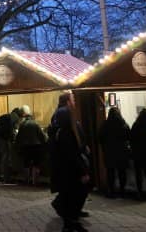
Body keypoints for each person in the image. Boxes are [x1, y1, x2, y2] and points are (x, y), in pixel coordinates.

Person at [48, 92, 90, 232]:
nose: (74, 102)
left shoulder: (60, 130)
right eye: (72, 99)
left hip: (65, 169)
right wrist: (82, 170)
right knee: (73, 194)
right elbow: (71, 153)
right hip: (69, 169)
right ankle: (69, 221)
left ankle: (70, 222)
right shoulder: (64, 132)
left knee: (70, 194)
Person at [99, 107, 131, 198]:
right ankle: (122, 191)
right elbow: (129, 137)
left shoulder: (105, 125)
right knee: (122, 172)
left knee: (110, 173)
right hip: (122, 152)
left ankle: (111, 192)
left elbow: (100, 138)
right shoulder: (123, 124)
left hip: (109, 153)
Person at [15, 105, 47, 185]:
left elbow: (18, 137)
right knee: (36, 165)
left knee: (26, 164)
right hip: (36, 146)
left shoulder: (22, 124)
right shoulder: (35, 124)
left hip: (26, 147)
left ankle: (27, 181)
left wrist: (17, 145)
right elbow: (42, 136)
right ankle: (34, 182)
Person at [0, 111, 16, 184]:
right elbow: (11, 131)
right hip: (3, 140)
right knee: (5, 158)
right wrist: (12, 138)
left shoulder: (2, 117)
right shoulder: (10, 119)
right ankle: (6, 179)